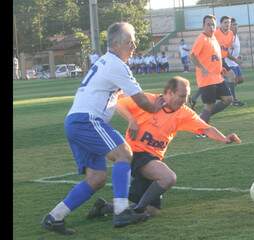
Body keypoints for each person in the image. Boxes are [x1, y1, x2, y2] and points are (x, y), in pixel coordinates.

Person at [41, 22, 166, 235]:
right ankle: (121, 211)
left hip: (75, 122)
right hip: (87, 121)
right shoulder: (117, 64)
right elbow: (141, 100)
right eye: (130, 42)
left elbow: (121, 96)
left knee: (96, 178)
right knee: (124, 153)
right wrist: (157, 106)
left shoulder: (105, 62)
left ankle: (54, 217)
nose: (134, 46)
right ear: (117, 44)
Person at [86, 76, 241, 218]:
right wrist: (132, 120)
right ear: (168, 92)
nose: (184, 99)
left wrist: (224, 139)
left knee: (152, 211)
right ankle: (135, 212)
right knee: (168, 177)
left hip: (153, 158)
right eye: (181, 95)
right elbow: (118, 103)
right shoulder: (147, 100)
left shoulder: (183, 113)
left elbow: (206, 128)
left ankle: (104, 207)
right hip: (135, 153)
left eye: (186, 96)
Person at [189, 15, 233, 138]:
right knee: (209, 106)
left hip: (217, 78)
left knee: (228, 99)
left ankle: (202, 117)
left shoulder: (213, 38)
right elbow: (192, 55)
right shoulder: (201, 38)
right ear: (203, 26)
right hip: (207, 80)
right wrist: (202, 68)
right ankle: (199, 130)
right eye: (208, 24)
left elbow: (215, 57)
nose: (211, 27)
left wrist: (222, 69)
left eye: (213, 24)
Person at [224, 18, 245, 107]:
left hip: (234, 62)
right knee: (232, 79)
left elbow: (235, 49)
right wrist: (235, 59)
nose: (236, 26)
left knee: (240, 79)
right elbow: (226, 52)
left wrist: (238, 57)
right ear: (229, 27)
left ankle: (226, 91)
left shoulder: (236, 36)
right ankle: (233, 100)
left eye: (236, 24)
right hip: (229, 63)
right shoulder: (229, 37)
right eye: (233, 25)